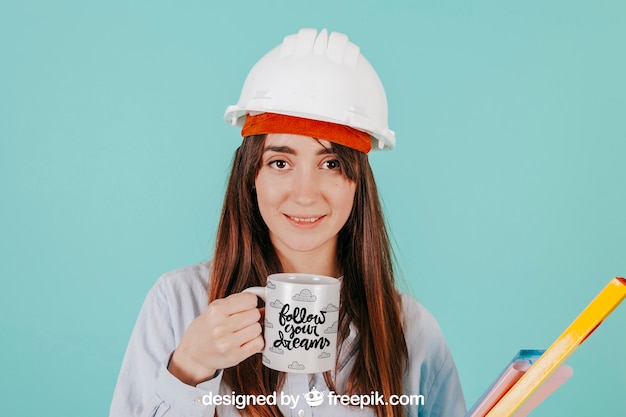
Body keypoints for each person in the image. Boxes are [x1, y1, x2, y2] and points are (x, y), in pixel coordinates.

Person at [110, 28, 466, 417]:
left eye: (331, 163)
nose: (305, 194)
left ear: (357, 182)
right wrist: (188, 369)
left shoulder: (411, 331)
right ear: (252, 176)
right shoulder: (176, 305)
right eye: (280, 162)